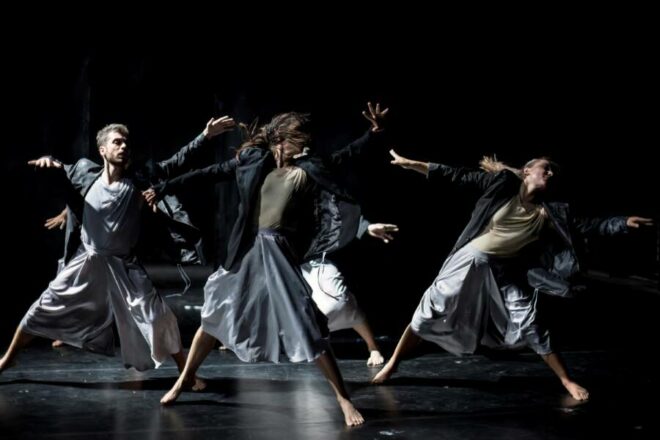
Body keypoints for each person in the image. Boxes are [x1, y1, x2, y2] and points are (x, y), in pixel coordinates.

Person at [143, 103, 388, 426]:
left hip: (279, 253)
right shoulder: (253, 161)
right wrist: (163, 188)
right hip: (247, 251)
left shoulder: (306, 169)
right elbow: (209, 173)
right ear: (282, 140)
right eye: (300, 139)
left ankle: (343, 399)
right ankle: (184, 378)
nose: (307, 144)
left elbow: (345, 156)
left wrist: (373, 134)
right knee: (214, 314)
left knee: (307, 321)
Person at [372, 150, 653, 401]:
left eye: (553, 172)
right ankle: (394, 363)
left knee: (529, 322)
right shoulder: (501, 185)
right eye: (546, 168)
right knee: (430, 311)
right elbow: (456, 175)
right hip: (469, 260)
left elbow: (588, 225)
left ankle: (567, 380)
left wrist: (622, 222)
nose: (551, 173)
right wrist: (412, 164)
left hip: (503, 270)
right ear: (527, 171)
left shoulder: (550, 212)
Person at [0, 117, 235, 381]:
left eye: (126, 143)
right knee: (42, 308)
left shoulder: (138, 179)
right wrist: (47, 159)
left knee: (158, 317)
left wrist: (205, 136)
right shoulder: (84, 173)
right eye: (117, 142)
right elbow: (59, 167)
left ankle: (186, 374)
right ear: (103, 150)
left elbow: (176, 162)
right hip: (87, 262)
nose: (123, 146)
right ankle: (8, 359)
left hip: (124, 265)